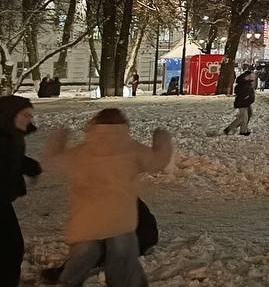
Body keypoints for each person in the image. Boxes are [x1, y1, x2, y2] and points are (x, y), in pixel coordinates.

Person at [43, 108, 173, 286]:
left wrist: (58, 139)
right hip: (119, 220)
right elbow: (158, 161)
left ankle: (67, 282)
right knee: (122, 260)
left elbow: (53, 163)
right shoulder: (131, 149)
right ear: (123, 124)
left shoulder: (83, 152)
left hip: (86, 219)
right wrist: (161, 138)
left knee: (82, 255)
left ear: (94, 124)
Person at [1, 96, 40, 286]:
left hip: (3, 201)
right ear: (10, 115)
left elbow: (12, 158)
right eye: (24, 115)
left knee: (12, 248)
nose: (28, 120)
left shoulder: (10, 135)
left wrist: (30, 166)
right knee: (11, 248)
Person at [224, 69, 256, 136]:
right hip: (242, 102)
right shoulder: (242, 83)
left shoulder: (247, 82)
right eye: (250, 75)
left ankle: (243, 130)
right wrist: (246, 96)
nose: (252, 77)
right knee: (243, 117)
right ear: (246, 76)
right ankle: (229, 129)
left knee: (247, 116)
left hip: (246, 102)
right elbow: (239, 92)